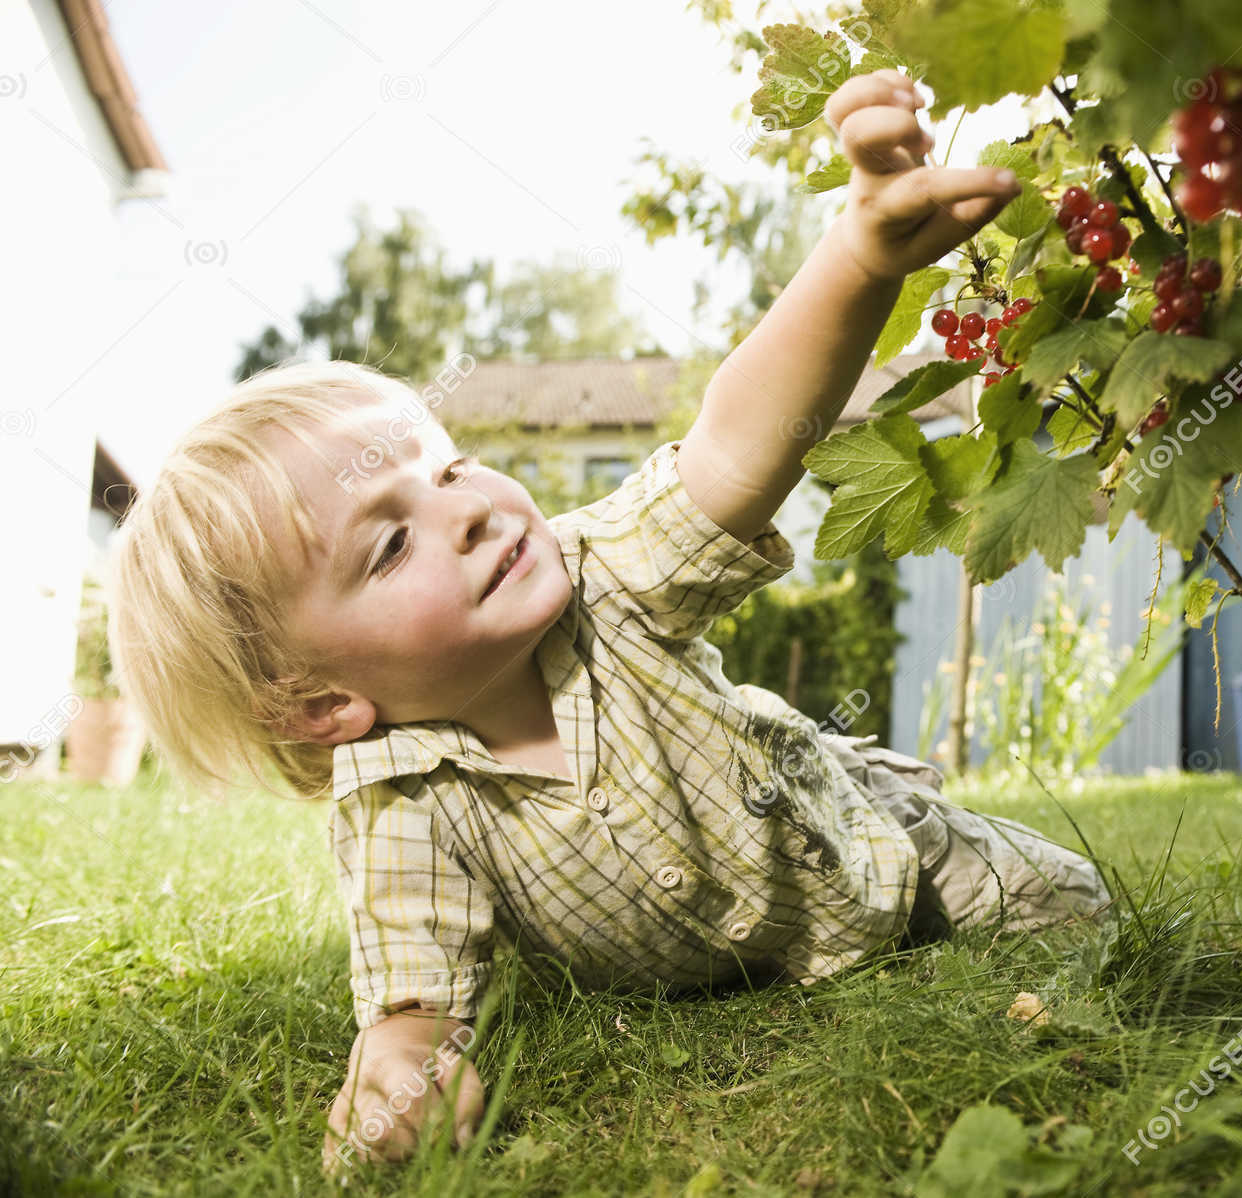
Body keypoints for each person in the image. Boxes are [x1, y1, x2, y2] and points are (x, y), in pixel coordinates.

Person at [104, 69, 1112, 1177]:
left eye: (452, 467)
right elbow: (418, 1001)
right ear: (323, 703)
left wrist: (859, 257)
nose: (472, 511)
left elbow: (733, 445)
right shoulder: (402, 803)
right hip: (747, 956)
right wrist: (397, 1079)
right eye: (390, 543)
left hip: (878, 850)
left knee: (1074, 908)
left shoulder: (603, 577)